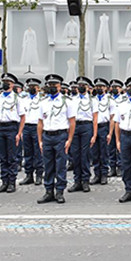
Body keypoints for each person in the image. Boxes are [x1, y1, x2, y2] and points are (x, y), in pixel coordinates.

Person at [37, 74, 75, 204]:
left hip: (60, 136)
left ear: (60, 86)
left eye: (55, 85)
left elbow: (72, 122)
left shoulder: (67, 101)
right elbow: (40, 122)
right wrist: (40, 140)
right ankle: (48, 191)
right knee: (48, 165)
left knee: (60, 166)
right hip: (47, 136)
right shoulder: (43, 102)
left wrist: (69, 139)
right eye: (50, 85)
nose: (52, 87)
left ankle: (59, 191)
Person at [0, 73, 25, 194]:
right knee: (2, 156)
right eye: (4, 81)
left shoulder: (17, 99)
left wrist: (19, 133)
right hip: (0, 127)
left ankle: (12, 182)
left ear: (12, 84)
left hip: (12, 127)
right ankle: (4, 181)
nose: (6, 83)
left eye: (8, 82)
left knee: (12, 157)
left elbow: (22, 117)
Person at [69, 76, 97, 193]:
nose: (80, 87)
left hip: (86, 126)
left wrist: (94, 134)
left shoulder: (92, 101)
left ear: (88, 87)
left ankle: (85, 180)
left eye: (83, 86)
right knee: (75, 155)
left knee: (85, 155)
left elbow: (95, 118)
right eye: (79, 85)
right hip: (75, 126)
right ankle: (77, 181)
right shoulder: (72, 100)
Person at [19, 77, 44, 186]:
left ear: (38, 88)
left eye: (33, 87)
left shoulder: (43, 100)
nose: (31, 88)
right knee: (28, 152)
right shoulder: (24, 100)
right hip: (26, 127)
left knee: (38, 152)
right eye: (30, 87)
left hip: (37, 127)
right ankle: (29, 175)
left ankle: (39, 174)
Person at [88, 78, 112, 185]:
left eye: (101, 87)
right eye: (97, 87)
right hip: (93, 127)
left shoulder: (109, 100)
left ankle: (104, 174)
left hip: (104, 127)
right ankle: (97, 174)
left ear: (105, 88)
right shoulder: (92, 100)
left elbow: (112, 118)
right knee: (95, 152)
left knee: (104, 152)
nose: (99, 88)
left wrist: (110, 133)